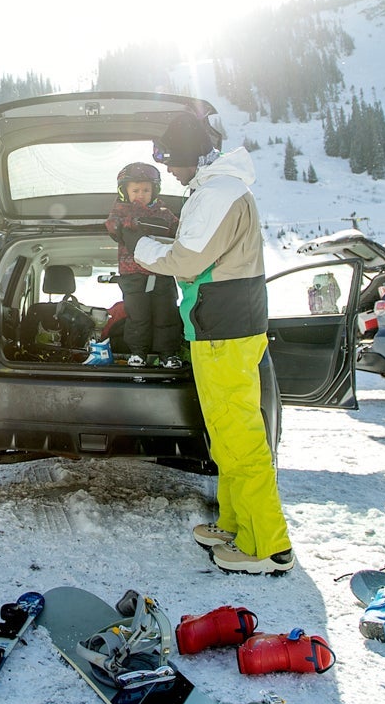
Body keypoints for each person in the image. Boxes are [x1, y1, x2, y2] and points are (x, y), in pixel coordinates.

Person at [119, 111, 294, 575]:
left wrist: (139, 246)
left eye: (171, 162)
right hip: (222, 326)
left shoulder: (218, 192)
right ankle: (236, 524)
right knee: (226, 433)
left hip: (225, 330)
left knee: (241, 437)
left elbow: (188, 259)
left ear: (192, 157)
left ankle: (267, 545)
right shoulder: (217, 189)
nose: (169, 173)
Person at [104, 161, 183, 367]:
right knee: (138, 316)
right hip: (133, 275)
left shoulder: (162, 210)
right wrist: (133, 218)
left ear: (154, 190)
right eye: (136, 190)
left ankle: (168, 354)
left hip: (161, 272)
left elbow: (177, 229)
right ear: (125, 191)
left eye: (146, 190)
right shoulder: (120, 211)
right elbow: (112, 227)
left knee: (166, 315)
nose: (141, 194)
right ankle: (137, 352)